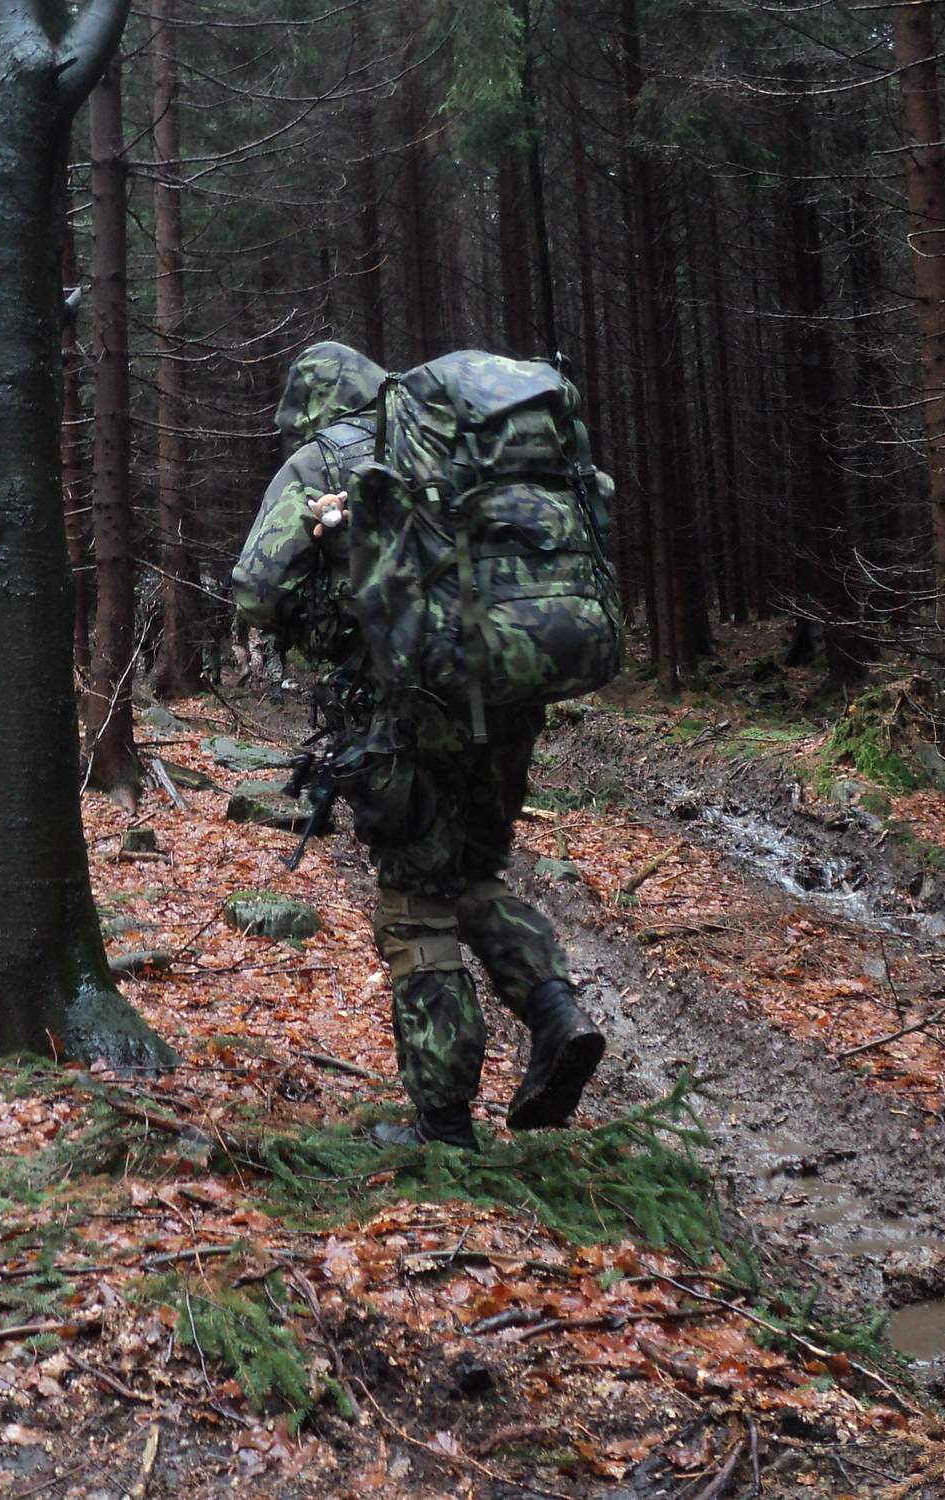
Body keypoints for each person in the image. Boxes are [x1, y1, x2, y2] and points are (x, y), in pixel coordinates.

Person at [232, 341, 606, 1151]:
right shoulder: (453, 449)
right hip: (506, 699)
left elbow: (258, 590)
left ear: (310, 403)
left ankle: (444, 1125)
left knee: (414, 906)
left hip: (405, 715)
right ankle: (556, 1012)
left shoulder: (324, 459)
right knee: (471, 876)